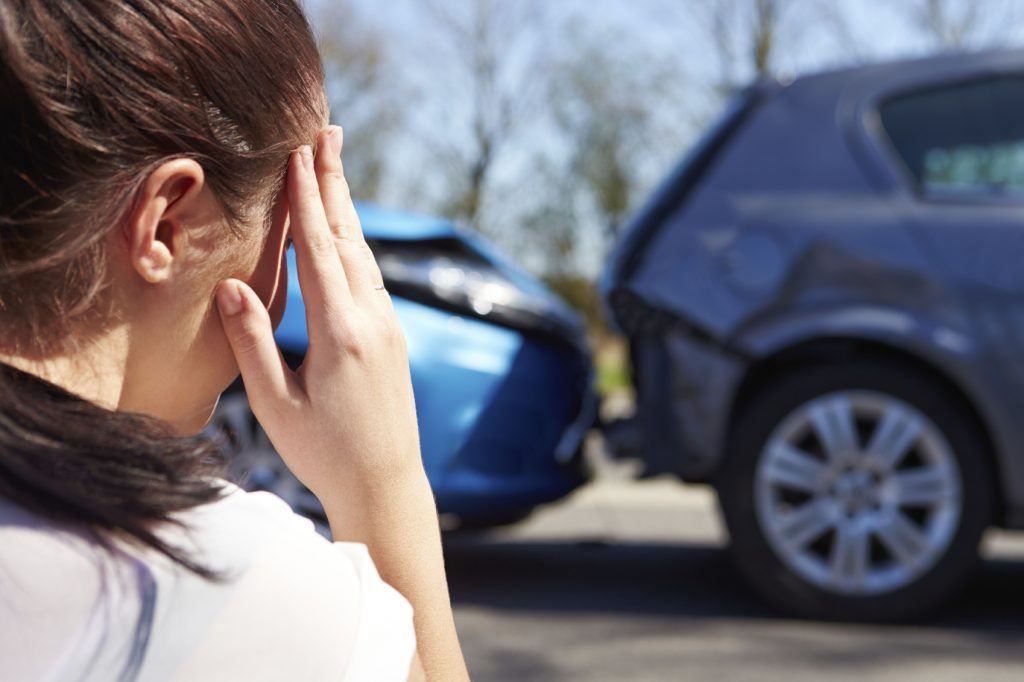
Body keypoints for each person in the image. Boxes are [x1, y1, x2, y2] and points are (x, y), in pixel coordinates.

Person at [0, 1, 469, 680]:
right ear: (167, 226)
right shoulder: (225, 584)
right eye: (288, 232)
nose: (289, 294)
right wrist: (384, 485)